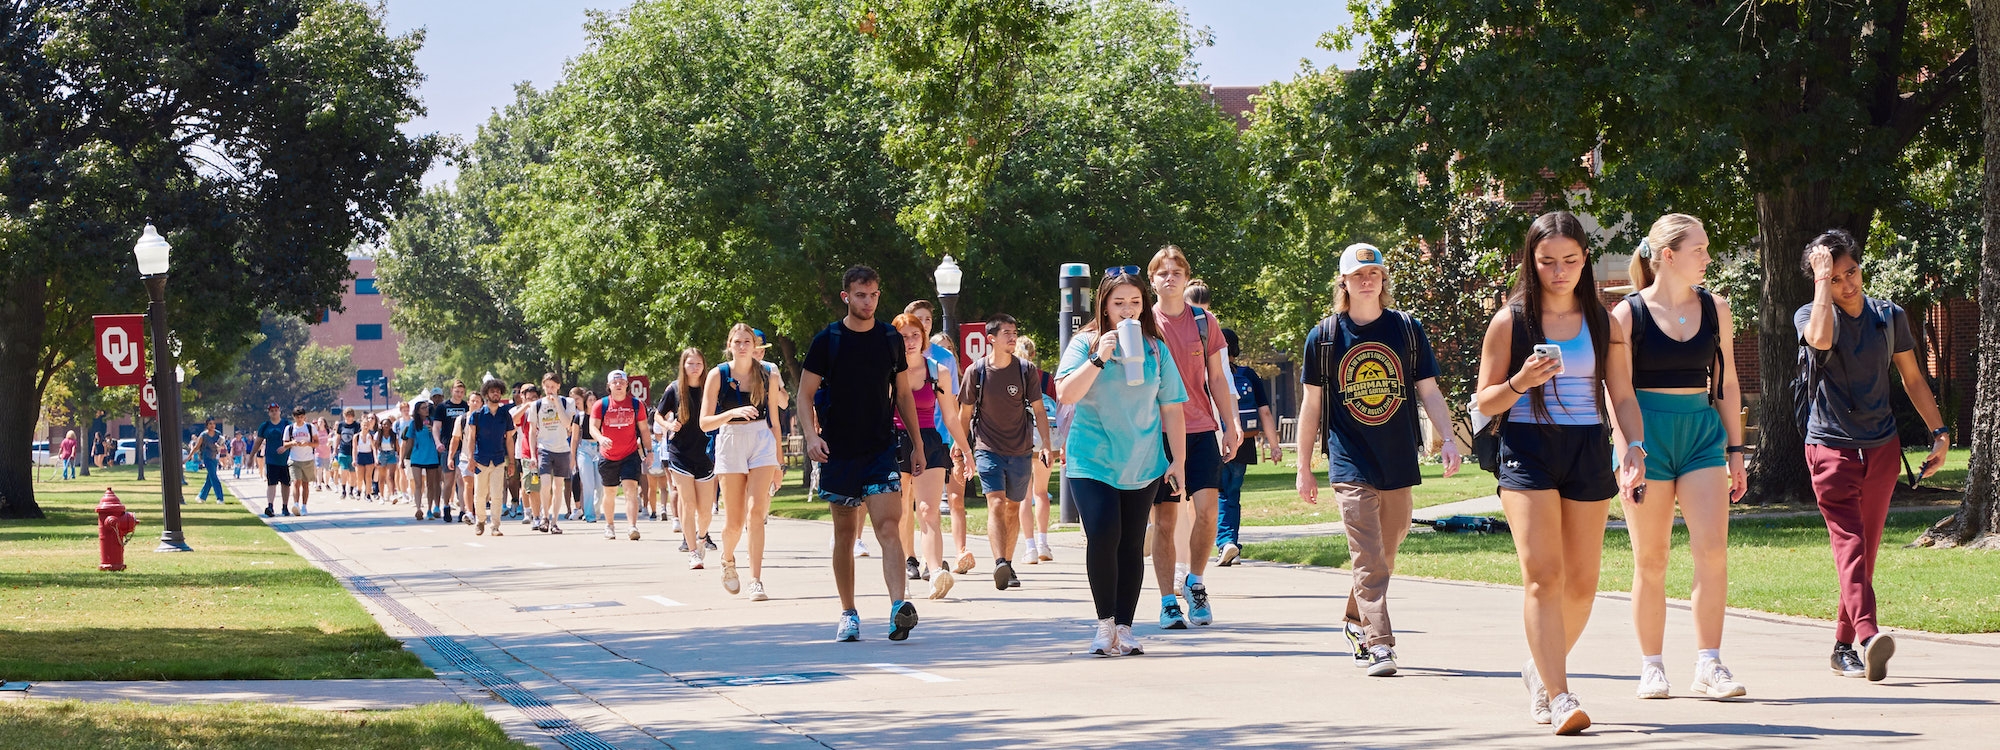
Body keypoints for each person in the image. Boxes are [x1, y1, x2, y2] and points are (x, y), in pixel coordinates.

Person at [1474, 211, 1646, 735]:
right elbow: (1483, 402)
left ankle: (1538, 668)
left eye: (1569, 260)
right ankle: (1559, 693)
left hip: (1587, 446)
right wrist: (1522, 380)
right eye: (1547, 262)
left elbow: (1621, 394)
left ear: (1585, 260)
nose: (1558, 271)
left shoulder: (1604, 320)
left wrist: (1634, 447)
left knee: (1583, 584)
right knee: (1543, 576)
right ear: (1532, 261)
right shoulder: (1511, 321)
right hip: (1528, 448)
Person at [1295, 243, 1462, 678]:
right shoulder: (1326, 336)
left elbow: (1428, 389)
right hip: (1350, 458)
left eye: (1374, 273)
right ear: (1344, 282)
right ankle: (1379, 643)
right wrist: (1304, 466)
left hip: (1397, 454)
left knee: (1388, 545)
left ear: (1383, 279)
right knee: (1368, 554)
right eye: (1358, 274)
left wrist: (1447, 437)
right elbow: (1312, 405)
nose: (1367, 280)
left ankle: (1354, 619)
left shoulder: (1406, 330)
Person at [1797, 228, 1949, 683]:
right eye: (1835, 277)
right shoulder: (1811, 313)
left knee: (1866, 550)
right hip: (1831, 448)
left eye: (1851, 272)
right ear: (1820, 283)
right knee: (1851, 544)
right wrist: (1821, 285)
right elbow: (1820, 342)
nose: (1847, 284)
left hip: (1882, 447)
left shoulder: (1888, 316)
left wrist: (1939, 432)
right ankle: (1867, 636)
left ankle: (1844, 647)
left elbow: (1913, 378)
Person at [1611, 214, 1750, 700]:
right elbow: (1617, 390)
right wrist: (1629, 449)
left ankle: (1709, 664)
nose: (1708, 258)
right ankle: (1651, 666)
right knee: (1652, 558)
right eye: (1700, 249)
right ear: (1667, 256)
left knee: (1712, 551)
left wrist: (1736, 450)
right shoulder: (1627, 315)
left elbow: (1727, 383)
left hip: (1701, 436)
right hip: (1646, 438)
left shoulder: (1717, 309)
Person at [1057, 269, 1188, 656]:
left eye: (1134, 302)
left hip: (1143, 461)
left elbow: (1173, 408)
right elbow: (1065, 393)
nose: (1128, 310)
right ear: (1104, 306)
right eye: (1119, 304)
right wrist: (1099, 357)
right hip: (1092, 458)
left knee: (1131, 543)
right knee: (1103, 535)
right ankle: (1104, 625)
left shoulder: (1155, 349)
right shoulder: (1085, 344)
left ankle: (1126, 629)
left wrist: (1177, 460)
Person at [799, 265, 926, 642]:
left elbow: (903, 394)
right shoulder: (829, 339)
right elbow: (804, 395)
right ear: (846, 297)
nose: (867, 302)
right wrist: (810, 437)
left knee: (888, 526)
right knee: (844, 532)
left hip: (880, 447)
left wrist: (917, 444)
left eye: (873, 295)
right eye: (860, 295)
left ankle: (897, 608)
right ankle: (848, 613)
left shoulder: (889, 338)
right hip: (839, 450)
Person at [1146, 247, 1242, 628]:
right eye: (1162, 273)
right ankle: (1168, 600)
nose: (1170, 278)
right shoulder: (1142, 322)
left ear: (1186, 279)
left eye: (1176, 272)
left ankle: (1196, 583)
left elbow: (1217, 378)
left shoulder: (1204, 322)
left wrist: (1230, 424)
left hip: (1201, 428)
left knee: (1206, 511)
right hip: (1158, 434)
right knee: (1165, 521)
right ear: (1152, 280)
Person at [956, 314, 1052, 592]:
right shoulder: (976, 372)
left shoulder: (1025, 370)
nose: (1012, 337)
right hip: (988, 447)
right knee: (996, 503)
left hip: (1021, 448)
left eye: (1014, 332)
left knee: (1013, 507)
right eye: (1006, 333)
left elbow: (1039, 409)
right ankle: (1000, 561)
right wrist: (962, 448)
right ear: (991, 339)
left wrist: (1046, 443)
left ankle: (1008, 563)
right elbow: (964, 415)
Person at [702, 325, 788, 600]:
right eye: (737, 342)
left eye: (746, 342)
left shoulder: (768, 373)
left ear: (755, 346)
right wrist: (732, 412)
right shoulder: (718, 374)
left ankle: (756, 580)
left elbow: (774, 420)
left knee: (756, 512)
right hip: (730, 440)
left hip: (761, 439)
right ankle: (728, 559)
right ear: (729, 345)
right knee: (734, 522)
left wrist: (779, 463)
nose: (742, 346)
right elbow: (704, 423)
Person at [891, 312, 969, 598]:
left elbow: (950, 416)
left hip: (929, 441)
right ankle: (900, 574)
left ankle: (935, 571)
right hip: (896, 442)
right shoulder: (887, 371)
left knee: (928, 510)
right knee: (898, 512)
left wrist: (966, 451)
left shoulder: (938, 371)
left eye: (915, 335)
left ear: (923, 338)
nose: (910, 341)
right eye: (903, 336)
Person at [1217, 328, 1280, 565]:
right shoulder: (1249, 374)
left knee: (1219, 494)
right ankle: (1231, 542)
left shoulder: (1211, 375)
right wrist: (1274, 446)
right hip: (1245, 443)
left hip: (1218, 439)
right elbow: (1264, 411)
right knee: (1232, 493)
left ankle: (1225, 542)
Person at [658, 350, 718, 564]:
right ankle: (693, 551)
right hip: (680, 452)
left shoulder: (711, 388)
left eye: (699, 363)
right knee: (688, 502)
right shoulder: (674, 389)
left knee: (705, 510)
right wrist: (667, 424)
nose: (695, 367)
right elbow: (657, 414)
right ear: (683, 366)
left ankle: (702, 537)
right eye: (690, 363)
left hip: (705, 453)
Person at [1015, 335, 1060, 565]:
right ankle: (1044, 542)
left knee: (1025, 495)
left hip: (1020, 440)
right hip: (1045, 441)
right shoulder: (1045, 378)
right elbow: (1056, 406)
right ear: (1034, 353)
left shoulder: (1013, 374)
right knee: (1041, 493)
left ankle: (1030, 547)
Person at [591, 370, 652, 540]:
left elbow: (644, 429)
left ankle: (632, 526)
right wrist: (601, 438)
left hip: (630, 453)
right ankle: (609, 525)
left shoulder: (636, 405)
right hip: (608, 455)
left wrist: (650, 451)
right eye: (614, 382)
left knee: (630, 489)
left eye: (621, 382)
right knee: (609, 492)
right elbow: (593, 427)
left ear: (627, 385)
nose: (618, 385)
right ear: (609, 386)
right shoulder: (601, 405)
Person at [464, 379, 517, 536]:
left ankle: (495, 525)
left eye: (498, 391)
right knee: (480, 494)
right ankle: (480, 520)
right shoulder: (477, 415)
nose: (496, 394)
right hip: (481, 460)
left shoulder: (505, 415)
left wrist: (512, 462)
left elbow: (509, 439)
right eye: (493, 391)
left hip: (499, 459)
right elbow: (471, 438)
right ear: (486, 394)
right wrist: (471, 458)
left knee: (497, 494)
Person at [436, 381, 473, 521]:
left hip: (463, 448)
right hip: (447, 446)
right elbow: (436, 427)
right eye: (457, 391)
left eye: (462, 392)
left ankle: (464, 510)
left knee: (462, 480)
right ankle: (446, 505)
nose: (459, 394)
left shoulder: (465, 406)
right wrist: (438, 442)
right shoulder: (442, 407)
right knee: (448, 480)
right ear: (452, 390)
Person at [405, 400, 443, 520]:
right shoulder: (413, 424)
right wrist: (403, 457)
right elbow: (409, 440)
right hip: (417, 455)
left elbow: (440, 437)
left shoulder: (433, 422)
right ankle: (418, 508)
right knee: (418, 484)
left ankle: (430, 509)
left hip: (431, 455)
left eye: (427, 407)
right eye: (423, 408)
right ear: (417, 410)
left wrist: (433, 431)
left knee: (430, 484)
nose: (426, 410)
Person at [251, 405, 291, 516]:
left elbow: (294, 439)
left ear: (280, 411)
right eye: (271, 411)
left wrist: (285, 447)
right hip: (271, 459)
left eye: (276, 410)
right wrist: (251, 457)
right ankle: (270, 506)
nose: (274, 413)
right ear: (269, 413)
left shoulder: (287, 424)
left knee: (286, 484)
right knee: (271, 483)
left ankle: (285, 506)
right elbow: (258, 442)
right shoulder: (265, 426)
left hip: (286, 459)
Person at [283, 408, 321, 515]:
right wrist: (292, 443)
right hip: (294, 459)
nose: (300, 419)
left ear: (304, 417)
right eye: (297, 417)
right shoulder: (289, 428)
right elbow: (285, 444)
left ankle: (304, 506)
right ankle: (296, 504)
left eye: (301, 417)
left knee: (305, 484)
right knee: (296, 482)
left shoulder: (310, 427)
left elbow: (317, 443)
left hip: (308, 459)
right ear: (294, 417)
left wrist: (308, 443)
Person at [572, 386, 599, 523]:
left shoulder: (601, 415)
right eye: (590, 400)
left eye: (595, 399)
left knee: (600, 485)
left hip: (599, 449)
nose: (592, 402)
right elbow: (575, 438)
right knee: (588, 484)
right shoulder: (580, 417)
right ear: (585, 402)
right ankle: (589, 514)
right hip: (584, 449)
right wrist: (572, 457)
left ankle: (596, 509)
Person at [194, 418, 226, 502]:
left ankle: (201, 497)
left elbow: (222, 445)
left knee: (210, 478)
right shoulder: (203, 435)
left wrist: (220, 447)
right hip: (206, 457)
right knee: (214, 477)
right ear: (207, 425)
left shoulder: (218, 434)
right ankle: (220, 498)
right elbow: (197, 447)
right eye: (210, 424)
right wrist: (189, 457)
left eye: (213, 423)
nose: (212, 425)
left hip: (215, 457)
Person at [336, 409, 362, 498]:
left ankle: (351, 490)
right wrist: (335, 449)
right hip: (343, 451)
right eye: (347, 415)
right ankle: (343, 490)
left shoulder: (357, 425)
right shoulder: (341, 425)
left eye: (350, 415)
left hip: (353, 452)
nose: (349, 417)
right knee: (344, 470)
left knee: (353, 472)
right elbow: (338, 437)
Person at [354, 414, 378, 500]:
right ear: (361, 425)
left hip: (368, 456)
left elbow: (373, 448)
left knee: (368, 476)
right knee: (359, 476)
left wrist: (375, 459)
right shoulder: (356, 437)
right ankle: (359, 490)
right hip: (360, 456)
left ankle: (367, 494)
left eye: (367, 425)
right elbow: (354, 449)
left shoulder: (370, 436)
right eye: (364, 425)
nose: (366, 427)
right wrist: (354, 459)